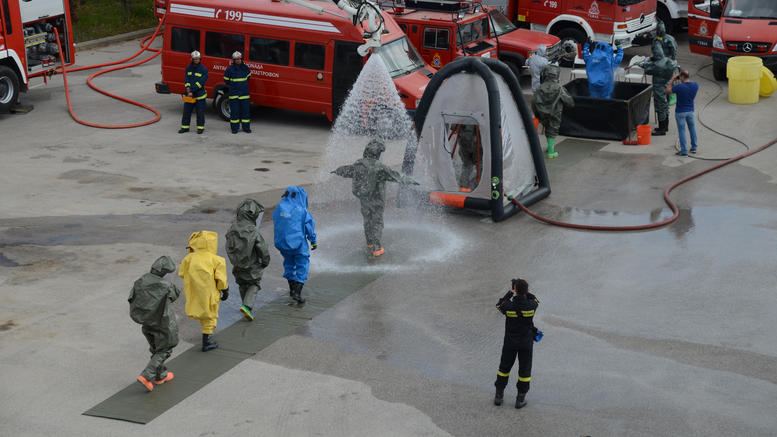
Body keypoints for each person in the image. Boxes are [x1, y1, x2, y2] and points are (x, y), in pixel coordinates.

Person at [332, 139, 419, 257]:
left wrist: (336, 171)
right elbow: (397, 176)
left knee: (367, 220)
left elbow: (347, 170)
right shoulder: (380, 167)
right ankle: (377, 247)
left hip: (364, 199)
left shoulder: (359, 164)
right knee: (377, 222)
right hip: (377, 200)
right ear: (378, 153)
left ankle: (369, 242)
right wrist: (412, 181)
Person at [128, 256, 180, 392]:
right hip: (162, 322)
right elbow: (175, 295)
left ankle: (160, 375)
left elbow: (132, 298)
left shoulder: (141, 280)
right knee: (165, 349)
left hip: (146, 322)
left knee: (156, 349)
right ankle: (146, 376)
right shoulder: (166, 285)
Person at [178, 230, 229, 352]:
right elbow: (221, 280)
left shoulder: (188, 258)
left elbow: (181, 273)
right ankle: (206, 342)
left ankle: (206, 335)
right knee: (210, 315)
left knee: (201, 311)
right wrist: (225, 290)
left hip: (194, 291)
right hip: (210, 293)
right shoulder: (217, 260)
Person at [494, 278, 539, 409]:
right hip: (526, 343)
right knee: (524, 370)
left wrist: (511, 292)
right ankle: (520, 399)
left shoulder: (508, 307)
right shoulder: (531, 306)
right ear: (527, 291)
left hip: (510, 343)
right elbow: (535, 300)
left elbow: (499, 304)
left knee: (504, 369)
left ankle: (498, 396)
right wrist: (524, 290)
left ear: (515, 289)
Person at [225, 198, 270, 321]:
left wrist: (234, 258)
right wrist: (265, 261)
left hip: (237, 264)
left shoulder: (232, 228)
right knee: (254, 284)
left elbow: (229, 244)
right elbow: (262, 248)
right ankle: (247, 305)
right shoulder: (253, 231)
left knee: (242, 283)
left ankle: (245, 305)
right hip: (251, 264)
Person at [273, 186, 317, 304]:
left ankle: (292, 290)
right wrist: (313, 241)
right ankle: (297, 292)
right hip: (299, 244)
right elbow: (309, 227)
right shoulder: (302, 211)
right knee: (302, 265)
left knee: (289, 264)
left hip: (282, 244)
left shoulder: (278, 208)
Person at [531, 65, 574, 159]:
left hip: (542, 113)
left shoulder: (540, 88)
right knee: (553, 130)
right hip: (555, 112)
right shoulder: (559, 88)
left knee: (547, 129)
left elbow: (534, 102)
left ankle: (549, 146)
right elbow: (569, 102)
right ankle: (551, 152)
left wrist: (536, 113)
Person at [641, 44, 676, 136]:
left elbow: (647, 70)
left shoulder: (657, 65)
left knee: (660, 107)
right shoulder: (668, 61)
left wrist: (644, 62)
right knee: (665, 106)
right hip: (667, 86)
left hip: (659, 88)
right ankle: (665, 126)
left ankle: (661, 129)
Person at [667, 70, 700, 156]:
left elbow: (667, 91)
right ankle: (694, 147)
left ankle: (684, 151)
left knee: (682, 131)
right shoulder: (696, 85)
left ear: (681, 76)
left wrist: (672, 80)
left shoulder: (679, 87)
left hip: (680, 112)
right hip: (691, 111)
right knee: (692, 129)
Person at [179, 51, 208, 134]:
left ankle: (200, 128)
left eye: (197, 59)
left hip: (199, 95)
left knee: (200, 113)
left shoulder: (203, 70)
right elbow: (186, 79)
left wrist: (191, 90)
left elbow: (201, 83)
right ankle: (185, 127)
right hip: (190, 95)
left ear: (200, 59)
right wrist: (187, 88)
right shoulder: (188, 68)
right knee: (186, 112)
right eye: (194, 59)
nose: (196, 60)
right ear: (191, 59)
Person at [223, 51, 252, 134]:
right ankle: (234, 129)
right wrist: (234, 85)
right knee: (234, 112)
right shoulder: (229, 69)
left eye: (239, 59)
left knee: (245, 112)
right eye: (236, 59)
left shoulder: (245, 68)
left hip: (244, 94)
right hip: (234, 94)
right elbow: (226, 80)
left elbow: (248, 77)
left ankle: (246, 128)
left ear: (241, 59)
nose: (238, 60)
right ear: (233, 60)